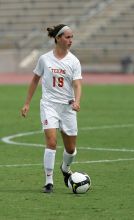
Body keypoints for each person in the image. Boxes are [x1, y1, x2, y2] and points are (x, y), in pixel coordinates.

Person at [21, 24, 82, 193]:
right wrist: (27, 103)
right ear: (58, 38)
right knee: (52, 142)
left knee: (70, 149)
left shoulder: (74, 61)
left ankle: (65, 168)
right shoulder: (44, 59)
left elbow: (77, 84)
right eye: (67, 37)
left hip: (68, 107)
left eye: (72, 37)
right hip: (49, 105)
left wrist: (77, 101)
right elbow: (34, 80)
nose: (70, 40)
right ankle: (49, 181)